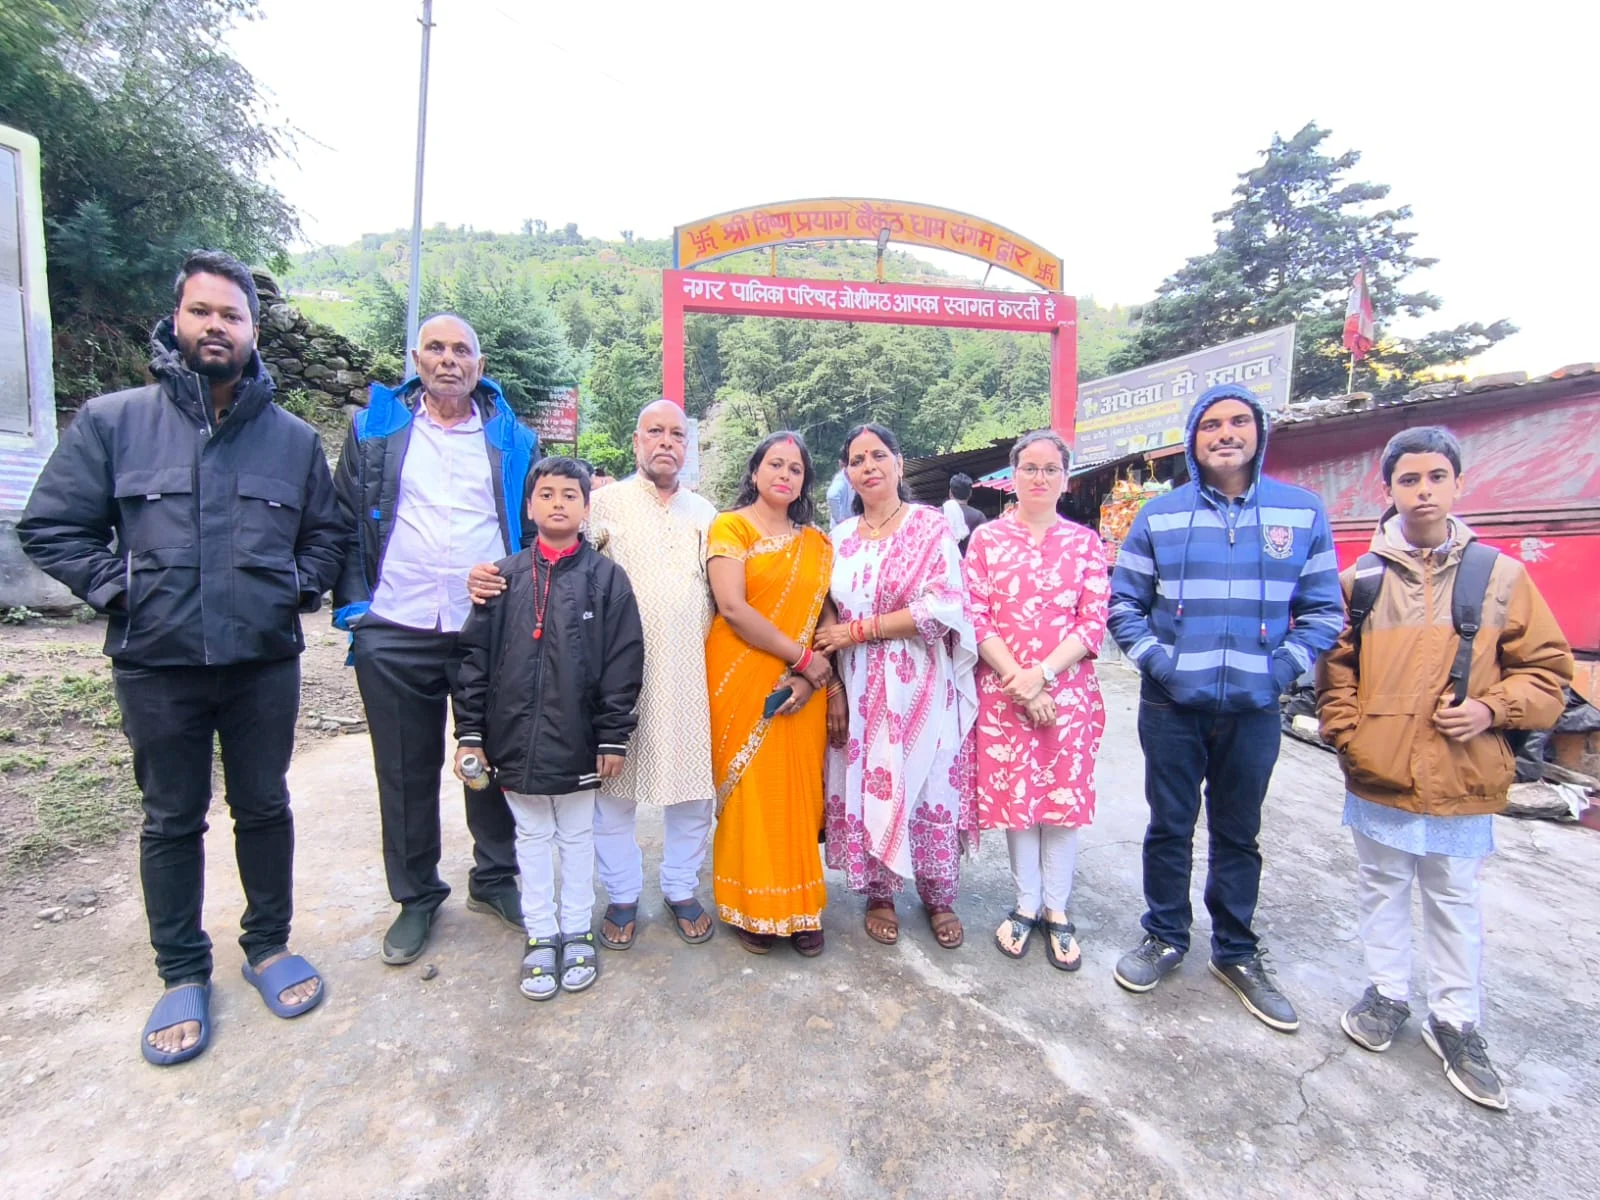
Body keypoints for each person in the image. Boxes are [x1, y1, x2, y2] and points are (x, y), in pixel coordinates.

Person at [19, 250, 344, 1065]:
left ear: (252, 330)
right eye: (202, 312)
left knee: (264, 806)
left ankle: (268, 944)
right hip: (156, 665)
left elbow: (328, 534)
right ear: (177, 320)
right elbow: (52, 525)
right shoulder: (113, 421)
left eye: (231, 316)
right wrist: (121, 589)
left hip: (262, 662)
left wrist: (294, 589)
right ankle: (181, 970)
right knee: (171, 817)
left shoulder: (294, 440)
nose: (215, 327)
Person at [1317, 426, 1572, 1109]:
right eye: (1409, 479)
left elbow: (1549, 674)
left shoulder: (1500, 578)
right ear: (1390, 489)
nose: (1423, 491)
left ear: (1458, 484)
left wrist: (1493, 709)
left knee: (1454, 896)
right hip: (1380, 770)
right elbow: (1333, 676)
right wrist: (1350, 737)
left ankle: (1456, 1019)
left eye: (1435, 477)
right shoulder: (1360, 581)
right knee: (1381, 884)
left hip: (1462, 772)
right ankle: (1387, 993)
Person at [1106, 384, 1344, 1032]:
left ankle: (1236, 952)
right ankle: (1165, 936)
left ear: (1258, 433)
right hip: (1171, 705)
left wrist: (1279, 669)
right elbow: (1123, 604)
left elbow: (1325, 610)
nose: (1226, 433)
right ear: (1194, 439)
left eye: (1239, 421)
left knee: (1239, 833)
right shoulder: (1160, 516)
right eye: (1211, 424)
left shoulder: (1300, 513)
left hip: (1253, 709)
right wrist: (1164, 663)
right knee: (1169, 826)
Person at [332, 313, 538, 967]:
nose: (449, 360)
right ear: (416, 359)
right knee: (403, 768)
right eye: (437, 349)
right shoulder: (376, 429)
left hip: (488, 626)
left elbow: (534, 533)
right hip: (394, 625)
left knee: (495, 760)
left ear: (480, 364)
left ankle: (495, 878)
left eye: (463, 351)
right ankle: (417, 896)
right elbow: (341, 520)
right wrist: (356, 610)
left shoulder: (512, 438)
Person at [503, 400, 718, 949]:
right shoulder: (602, 505)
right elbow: (556, 563)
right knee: (612, 791)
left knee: (692, 792)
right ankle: (622, 894)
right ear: (636, 441)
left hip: (691, 676)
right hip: (615, 677)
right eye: (654, 432)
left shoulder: (705, 513)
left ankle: (679, 887)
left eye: (676, 434)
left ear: (686, 445)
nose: (666, 442)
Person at [452, 457, 645, 1001]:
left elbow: (624, 661)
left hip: (582, 740)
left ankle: (578, 928)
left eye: (570, 495)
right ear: (529, 505)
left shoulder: (607, 579)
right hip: (513, 741)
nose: (558, 503)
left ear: (587, 508)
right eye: (547, 494)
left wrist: (613, 735)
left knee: (578, 836)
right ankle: (542, 933)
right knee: (532, 838)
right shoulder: (502, 577)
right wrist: (471, 733)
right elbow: (472, 661)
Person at [814, 423, 979, 950]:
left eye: (878, 455)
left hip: (920, 680)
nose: (869, 466)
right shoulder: (837, 539)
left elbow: (945, 605)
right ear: (847, 473)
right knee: (872, 779)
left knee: (929, 778)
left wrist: (862, 630)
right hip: (860, 684)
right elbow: (826, 611)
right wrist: (835, 685)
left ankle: (938, 894)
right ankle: (880, 892)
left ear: (899, 464)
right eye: (857, 459)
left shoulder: (929, 527)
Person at [964, 431, 1108, 970]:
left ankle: (1057, 909)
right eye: (1029, 468)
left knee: (1062, 804)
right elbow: (976, 617)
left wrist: (1043, 675)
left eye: (1050, 469)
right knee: (1017, 804)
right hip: (1004, 694)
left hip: (1068, 695)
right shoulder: (986, 542)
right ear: (1013, 477)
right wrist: (1018, 679)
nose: (1040, 478)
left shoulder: (1085, 544)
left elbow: (1092, 622)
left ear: (1065, 480)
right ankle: (1025, 905)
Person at [705, 432, 836, 955]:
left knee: (798, 796)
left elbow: (826, 610)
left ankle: (800, 908)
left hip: (803, 683)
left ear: (804, 481)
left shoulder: (817, 542)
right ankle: (753, 909)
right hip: (741, 672)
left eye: (796, 469)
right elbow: (732, 607)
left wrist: (811, 676)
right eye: (774, 464)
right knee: (751, 794)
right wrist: (802, 659)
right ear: (755, 472)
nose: (785, 475)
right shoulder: (729, 526)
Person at [942, 472, 986, 556]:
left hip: (943, 567)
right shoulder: (978, 516)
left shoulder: (937, 514)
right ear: (970, 494)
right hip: (969, 565)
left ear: (950, 492)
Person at [826, 445, 856, 528]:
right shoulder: (841, 481)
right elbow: (832, 496)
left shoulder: (857, 479)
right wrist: (840, 519)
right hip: (843, 530)